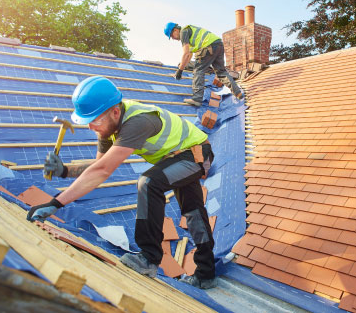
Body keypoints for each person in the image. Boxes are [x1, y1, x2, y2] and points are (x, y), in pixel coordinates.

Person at [27, 76, 217, 289]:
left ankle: (149, 258)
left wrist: (55, 203)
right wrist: (64, 171)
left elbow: (102, 171)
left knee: (149, 183)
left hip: (197, 154)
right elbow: (99, 166)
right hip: (176, 157)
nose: (91, 127)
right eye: (87, 121)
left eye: (95, 120)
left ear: (115, 112)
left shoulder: (138, 122)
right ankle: (206, 274)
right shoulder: (107, 126)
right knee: (193, 212)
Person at [164, 22, 243, 107]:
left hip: (207, 46)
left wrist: (179, 71)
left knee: (198, 70)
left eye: (172, 36)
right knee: (221, 73)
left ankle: (197, 99)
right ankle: (238, 92)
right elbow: (189, 55)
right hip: (218, 44)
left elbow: (185, 53)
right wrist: (182, 67)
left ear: (175, 30)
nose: (173, 38)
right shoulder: (190, 32)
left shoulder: (183, 32)